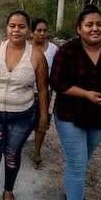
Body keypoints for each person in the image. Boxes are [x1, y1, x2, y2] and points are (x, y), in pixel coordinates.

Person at [50, 4, 101, 200]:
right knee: (78, 163)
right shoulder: (67, 51)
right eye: (89, 25)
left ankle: (71, 192)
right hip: (69, 115)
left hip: (99, 116)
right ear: (79, 29)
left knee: (81, 162)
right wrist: (85, 94)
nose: (95, 28)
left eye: (100, 24)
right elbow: (57, 82)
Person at [0, 10, 49, 200]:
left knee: (12, 155)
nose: (16, 30)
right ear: (7, 28)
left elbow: (43, 89)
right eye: (12, 26)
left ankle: (8, 190)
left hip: (22, 116)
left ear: (28, 30)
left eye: (21, 26)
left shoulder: (37, 56)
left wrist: (44, 116)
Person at [30, 18, 58, 170]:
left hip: (44, 93)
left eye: (45, 30)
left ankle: (37, 153)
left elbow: (58, 72)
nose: (42, 33)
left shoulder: (54, 49)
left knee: (42, 123)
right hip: (24, 93)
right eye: (39, 30)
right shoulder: (25, 47)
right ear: (31, 32)